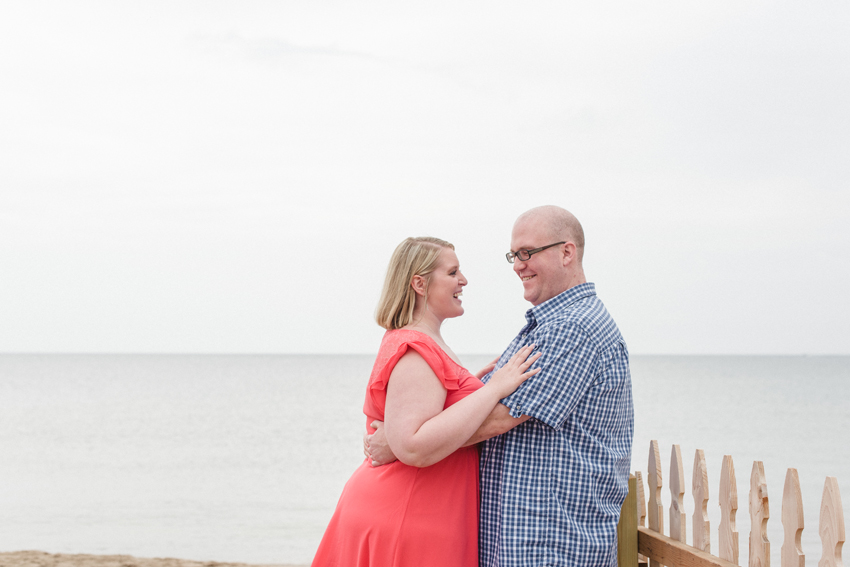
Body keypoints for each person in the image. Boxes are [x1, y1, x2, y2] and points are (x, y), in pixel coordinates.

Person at [367, 206, 634, 566]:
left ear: (567, 252)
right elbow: (477, 405)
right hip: (526, 543)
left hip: (550, 547)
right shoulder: (549, 326)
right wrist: (407, 433)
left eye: (528, 253)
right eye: (514, 255)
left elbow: (495, 418)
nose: (518, 265)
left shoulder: (573, 328)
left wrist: (401, 441)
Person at [312, 236, 542, 567]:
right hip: (408, 514)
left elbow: (430, 409)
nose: (463, 280)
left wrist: (469, 386)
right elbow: (415, 444)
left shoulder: (424, 343)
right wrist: (493, 389)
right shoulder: (417, 350)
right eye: (452, 272)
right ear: (419, 283)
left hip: (415, 512)